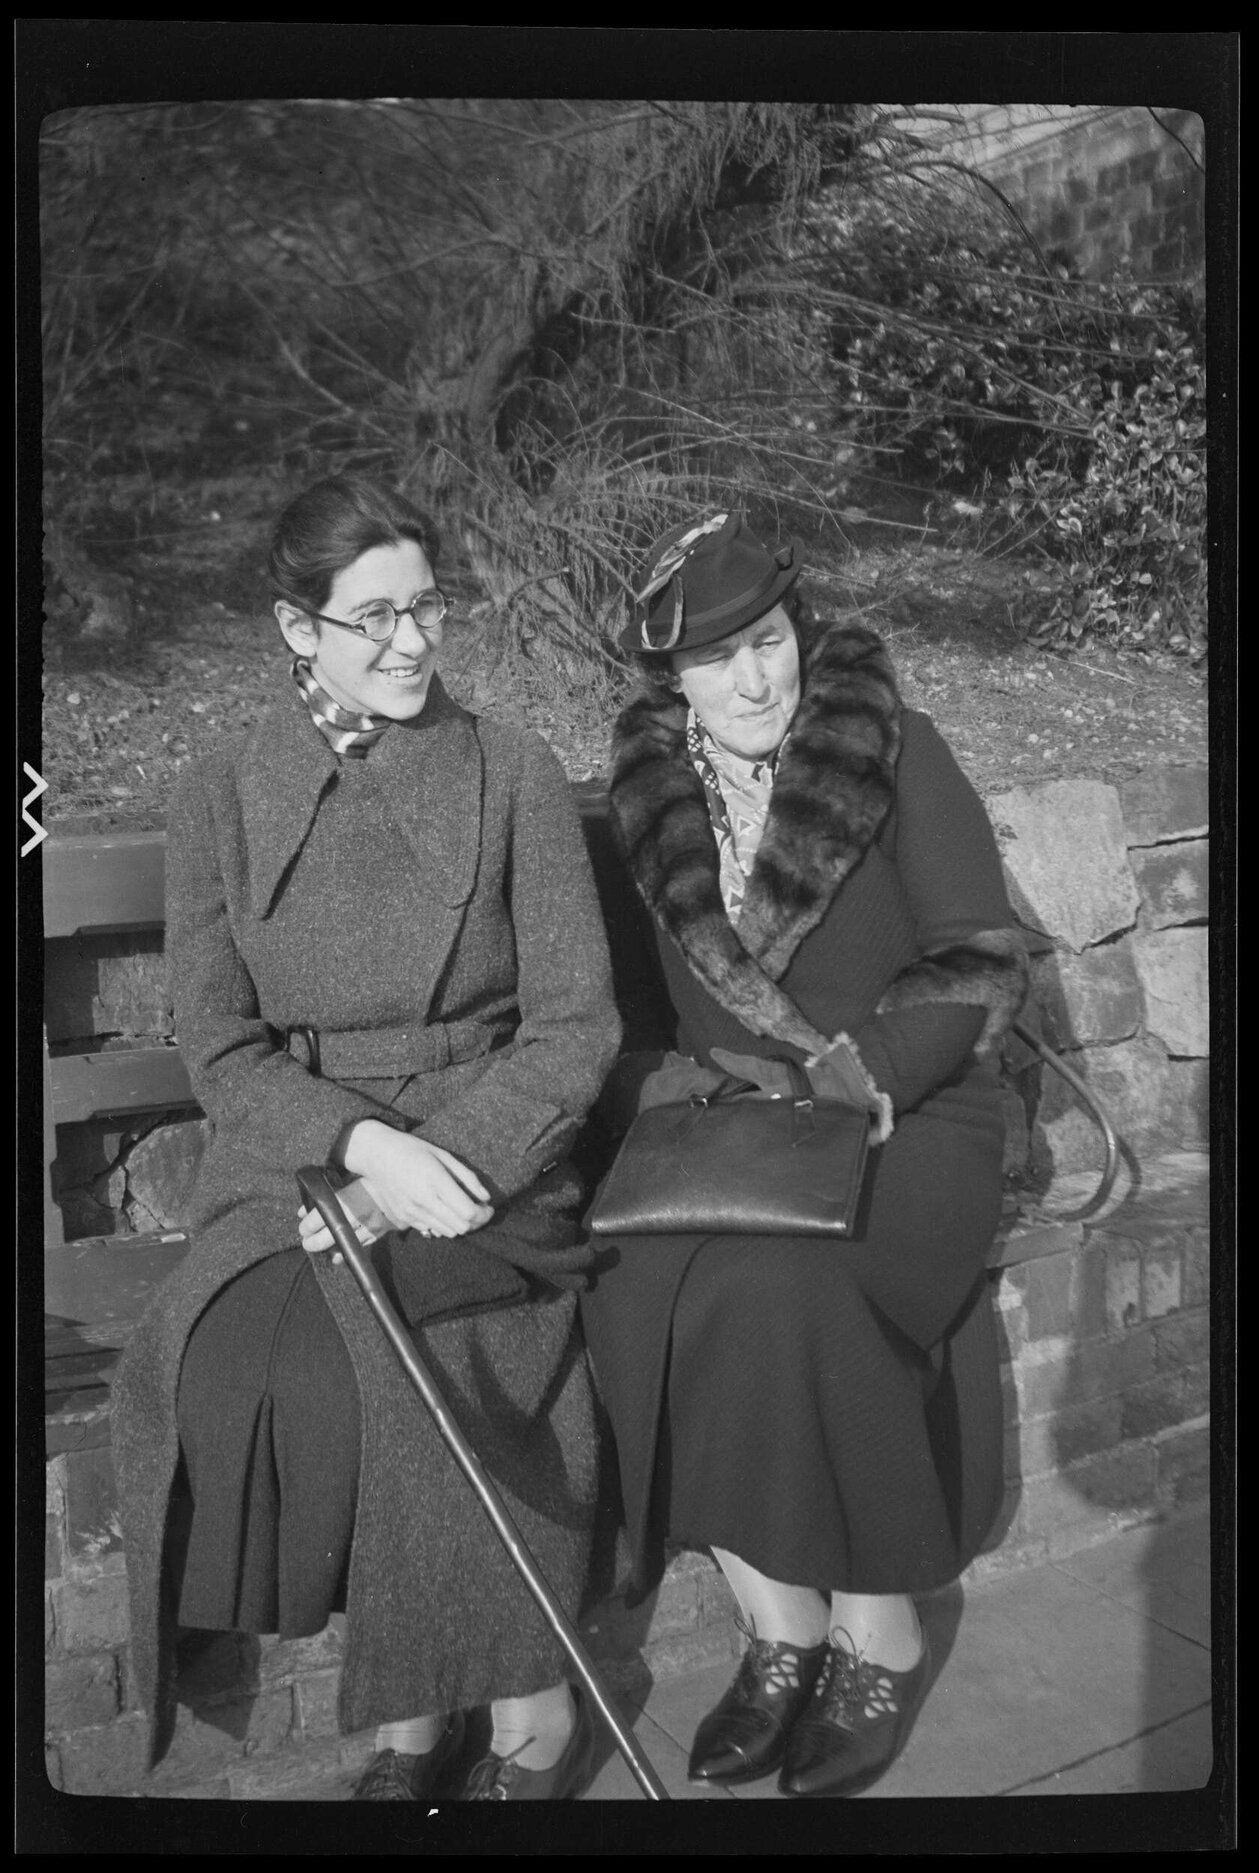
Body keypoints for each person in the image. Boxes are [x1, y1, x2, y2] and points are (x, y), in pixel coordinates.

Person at [111, 474, 621, 1802]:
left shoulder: (510, 773)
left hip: (488, 1152)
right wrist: (358, 1150)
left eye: (427, 608)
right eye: (374, 616)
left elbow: (574, 1028)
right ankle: (418, 1709)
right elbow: (222, 1047)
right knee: (236, 1368)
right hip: (294, 1165)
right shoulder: (218, 791)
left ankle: (520, 1708)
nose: (411, 643)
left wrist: (429, 1166)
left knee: (440, 1341)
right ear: (299, 628)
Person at [579, 510, 1028, 1798]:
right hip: (745, 1130)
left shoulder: (894, 751)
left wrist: (859, 1077)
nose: (757, 678)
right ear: (675, 682)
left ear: (800, 633)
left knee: (796, 1288)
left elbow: (972, 957)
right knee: (633, 1279)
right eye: (720, 662)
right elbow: (644, 1019)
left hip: (910, 1111)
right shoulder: (651, 805)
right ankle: (780, 1628)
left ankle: (876, 1627)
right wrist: (690, 1090)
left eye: (769, 641)